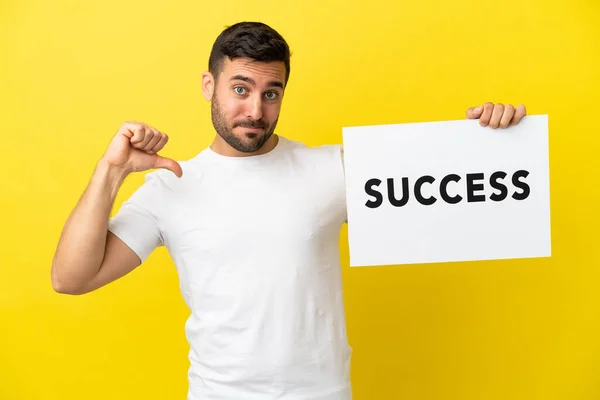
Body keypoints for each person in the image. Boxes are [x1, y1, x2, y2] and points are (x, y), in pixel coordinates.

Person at [51, 21, 527, 400]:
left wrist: (490, 143)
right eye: (240, 89)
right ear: (208, 84)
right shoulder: (169, 187)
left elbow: (445, 198)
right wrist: (110, 171)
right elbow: (71, 278)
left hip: (323, 394)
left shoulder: (333, 168)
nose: (256, 109)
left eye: (271, 92)